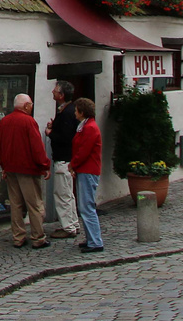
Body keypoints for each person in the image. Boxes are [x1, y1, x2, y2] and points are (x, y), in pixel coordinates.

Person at [0, 92, 51, 249]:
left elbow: (0, 146)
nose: (32, 106)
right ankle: (38, 237)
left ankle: (18, 237)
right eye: (31, 104)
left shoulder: (4, 122)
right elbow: (37, 147)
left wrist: (4, 166)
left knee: (16, 204)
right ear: (26, 106)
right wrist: (45, 165)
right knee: (34, 204)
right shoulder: (28, 122)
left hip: (11, 168)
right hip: (27, 170)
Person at [44, 81, 80, 239]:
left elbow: (66, 137)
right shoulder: (67, 110)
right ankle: (73, 223)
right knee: (68, 194)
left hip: (64, 160)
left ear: (61, 95)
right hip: (67, 160)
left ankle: (68, 227)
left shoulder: (67, 112)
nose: (52, 92)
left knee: (62, 194)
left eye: (55, 90)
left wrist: (50, 133)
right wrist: (55, 126)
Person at [70, 97, 104, 252]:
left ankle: (95, 241)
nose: (75, 113)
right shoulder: (85, 126)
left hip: (88, 170)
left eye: (77, 110)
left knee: (87, 206)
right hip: (85, 170)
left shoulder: (89, 128)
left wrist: (73, 164)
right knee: (84, 206)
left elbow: (84, 151)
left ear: (82, 112)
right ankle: (91, 238)